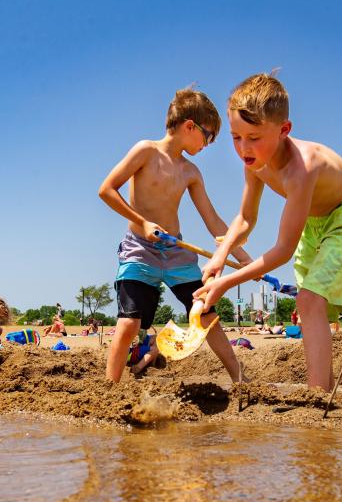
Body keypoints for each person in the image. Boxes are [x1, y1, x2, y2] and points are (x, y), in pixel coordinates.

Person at [195, 73, 342, 390]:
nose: (243, 148)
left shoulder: (302, 169)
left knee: (309, 299)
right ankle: (326, 387)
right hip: (313, 219)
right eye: (236, 137)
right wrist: (219, 259)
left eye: (254, 137)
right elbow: (245, 219)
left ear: (284, 130)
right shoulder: (253, 163)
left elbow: (283, 250)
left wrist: (225, 283)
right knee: (309, 306)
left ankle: (317, 396)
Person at [98, 88, 253, 382]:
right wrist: (142, 222)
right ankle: (111, 388)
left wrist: (246, 261)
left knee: (206, 313)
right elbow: (106, 189)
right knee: (129, 322)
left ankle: (239, 378)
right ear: (190, 126)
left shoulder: (191, 172)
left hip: (176, 253)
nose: (208, 144)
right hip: (139, 250)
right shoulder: (145, 151)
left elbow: (214, 221)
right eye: (208, 136)